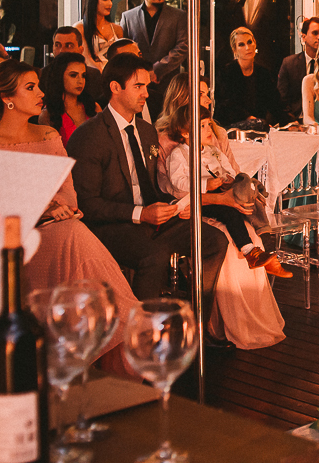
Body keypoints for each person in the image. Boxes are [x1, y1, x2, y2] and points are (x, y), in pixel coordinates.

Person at [0, 59, 138, 364]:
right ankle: (118, 325)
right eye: (30, 87)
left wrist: (60, 208)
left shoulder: (48, 136)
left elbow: (68, 193)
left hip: (61, 229)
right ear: (7, 98)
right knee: (73, 237)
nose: (41, 93)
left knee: (73, 233)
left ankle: (110, 331)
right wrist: (44, 209)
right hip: (15, 244)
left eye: (39, 86)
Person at [67, 54, 229, 301]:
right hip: (112, 225)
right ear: (115, 88)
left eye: (146, 86)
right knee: (154, 256)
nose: (146, 93)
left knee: (215, 241)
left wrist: (175, 205)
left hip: (151, 218)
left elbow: (152, 184)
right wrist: (140, 214)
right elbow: (87, 204)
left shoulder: (145, 131)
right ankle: (142, 323)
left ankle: (196, 318)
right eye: (138, 86)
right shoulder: (89, 136)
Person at [157, 105, 289, 278]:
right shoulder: (179, 154)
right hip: (201, 198)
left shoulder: (214, 151)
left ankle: (266, 243)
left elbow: (229, 169)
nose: (209, 130)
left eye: (209, 124)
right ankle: (249, 251)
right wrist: (206, 184)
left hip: (221, 190)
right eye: (202, 126)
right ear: (185, 133)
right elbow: (178, 182)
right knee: (229, 212)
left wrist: (229, 180)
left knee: (251, 198)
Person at [120, 0, 187, 116]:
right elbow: (123, 51)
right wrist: (143, 73)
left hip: (168, 82)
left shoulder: (179, 16)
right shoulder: (128, 18)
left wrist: (157, 70)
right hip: (136, 84)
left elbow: (183, 47)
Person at [215, 27, 291, 127]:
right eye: (241, 44)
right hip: (231, 127)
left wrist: (290, 122)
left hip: (259, 127)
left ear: (255, 44)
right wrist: (249, 118)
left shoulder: (263, 73)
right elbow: (226, 106)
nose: (247, 47)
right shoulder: (226, 73)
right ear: (234, 50)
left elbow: (275, 104)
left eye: (249, 42)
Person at [38, 51, 97, 145]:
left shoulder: (93, 107)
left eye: (83, 76)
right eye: (73, 75)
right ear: (59, 76)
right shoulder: (47, 115)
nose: (80, 81)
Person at [277, 17, 319, 116]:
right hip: (297, 117)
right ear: (304, 37)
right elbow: (282, 98)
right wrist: (292, 119)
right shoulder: (289, 63)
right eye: (315, 33)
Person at [49, 25, 105, 105]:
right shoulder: (43, 75)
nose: (61, 51)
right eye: (57, 45)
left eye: (69, 46)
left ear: (80, 50)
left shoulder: (93, 75)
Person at [76, 0, 124, 70]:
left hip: (116, 74)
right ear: (93, 0)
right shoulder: (80, 27)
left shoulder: (117, 29)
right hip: (93, 74)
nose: (110, 3)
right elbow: (87, 59)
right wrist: (101, 74)